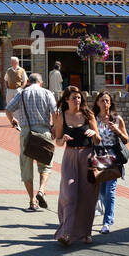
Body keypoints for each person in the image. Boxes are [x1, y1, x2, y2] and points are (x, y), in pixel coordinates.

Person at [52, 86, 100, 247]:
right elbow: (57, 141)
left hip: (88, 157)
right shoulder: (61, 116)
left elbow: (98, 139)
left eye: (79, 98)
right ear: (67, 100)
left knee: (88, 197)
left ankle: (86, 233)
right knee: (70, 194)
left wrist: (94, 135)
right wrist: (62, 139)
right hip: (70, 157)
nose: (77, 100)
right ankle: (66, 233)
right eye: (73, 98)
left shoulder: (88, 114)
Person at [6, 73, 57, 211]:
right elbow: (54, 112)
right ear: (40, 82)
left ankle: (32, 201)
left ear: (28, 82)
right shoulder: (47, 93)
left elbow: (8, 109)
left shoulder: (22, 94)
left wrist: (12, 120)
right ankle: (41, 190)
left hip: (27, 132)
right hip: (44, 131)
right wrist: (54, 128)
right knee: (46, 164)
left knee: (26, 166)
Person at [91, 91, 129, 235]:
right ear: (97, 103)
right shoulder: (93, 119)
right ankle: (102, 208)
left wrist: (118, 131)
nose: (105, 104)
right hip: (99, 157)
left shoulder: (116, 119)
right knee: (101, 191)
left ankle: (107, 222)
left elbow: (126, 140)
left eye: (107, 101)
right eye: (102, 101)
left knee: (110, 191)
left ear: (110, 103)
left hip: (113, 157)